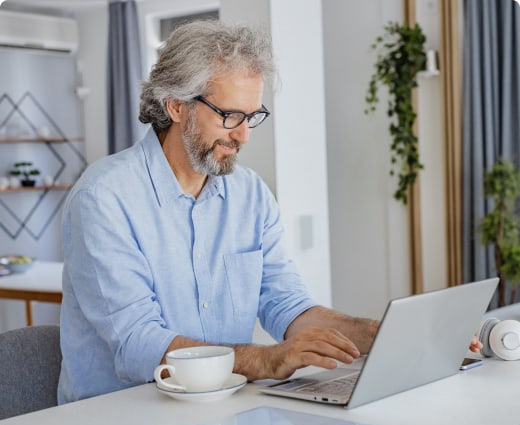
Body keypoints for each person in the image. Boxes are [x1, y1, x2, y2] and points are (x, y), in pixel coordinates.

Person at [57, 20, 480, 404]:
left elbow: (286, 304)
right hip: (123, 415)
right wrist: (266, 360)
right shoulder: (103, 199)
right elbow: (137, 343)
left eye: (252, 116)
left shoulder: (250, 194)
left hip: (224, 409)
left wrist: (383, 335)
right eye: (229, 116)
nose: (242, 135)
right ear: (176, 105)